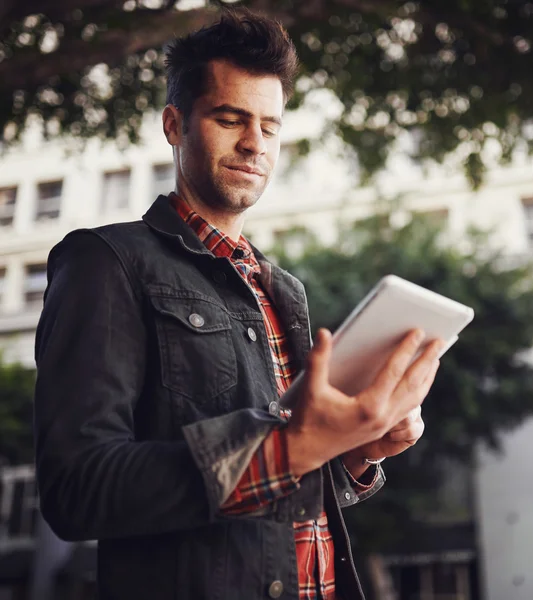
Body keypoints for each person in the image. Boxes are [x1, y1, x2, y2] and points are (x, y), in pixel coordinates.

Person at [34, 10, 442, 600]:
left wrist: (357, 453)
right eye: (230, 119)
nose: (254, 144)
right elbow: (77, 490)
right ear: (175, 125)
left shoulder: (285, 289)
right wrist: (289, 445)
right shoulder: (106, 261)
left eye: (270, 127)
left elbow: (287, 489)